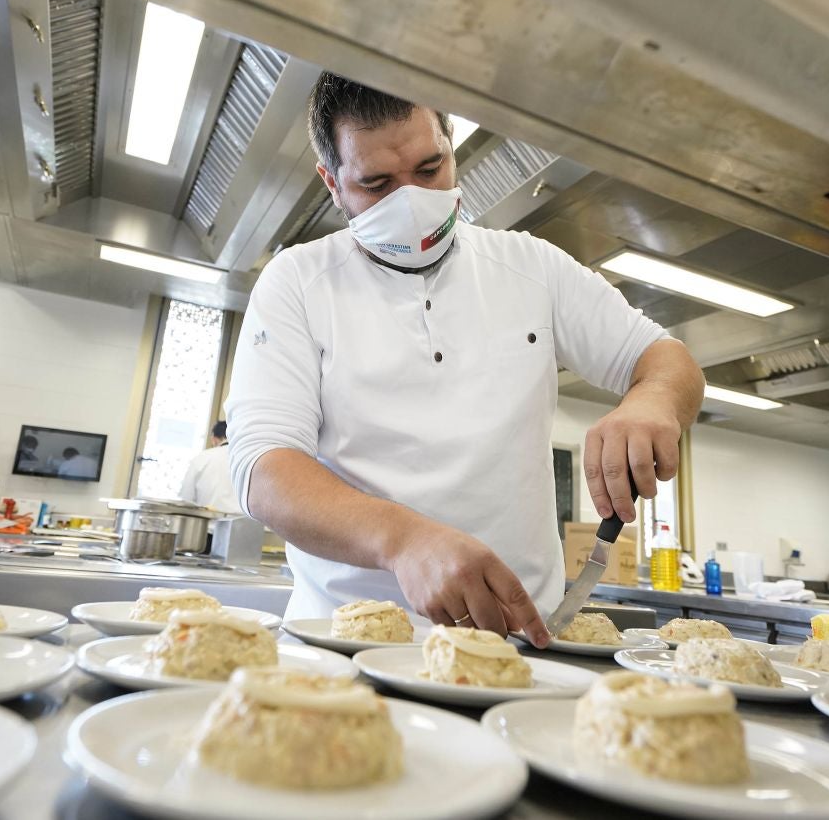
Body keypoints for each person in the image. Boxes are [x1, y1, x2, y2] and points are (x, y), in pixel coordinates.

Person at [226, 74, 704, 646]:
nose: (412, 201)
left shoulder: (533, 267)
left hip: (525, 641)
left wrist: (653, 399)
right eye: (377, 183)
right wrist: (401, 538)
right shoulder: (298, 282)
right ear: (332, 182)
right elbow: (264, 470)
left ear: (451, 147)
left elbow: (665, 358)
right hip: (347, 644)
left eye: (430, 170)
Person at [179, 421, 241, 513]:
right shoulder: (246, 459)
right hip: (243, 523)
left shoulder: (202, 458)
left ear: (214, 439)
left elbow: (186, 498)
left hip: (207, 522)